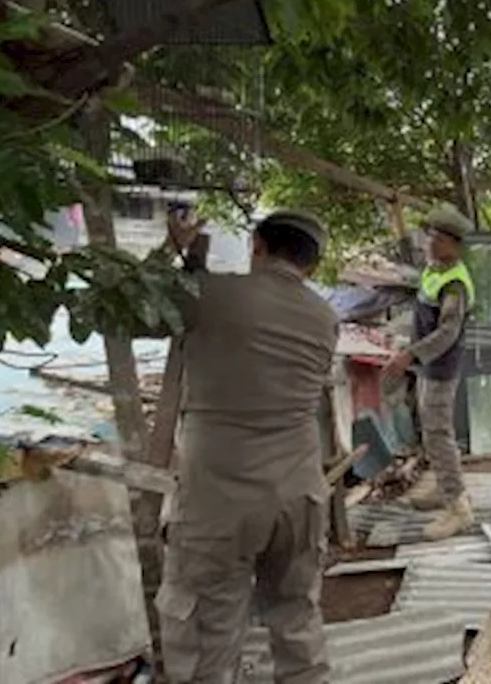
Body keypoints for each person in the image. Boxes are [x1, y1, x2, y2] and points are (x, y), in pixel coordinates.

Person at [155, 209, 337, 684]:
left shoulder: (210, 295)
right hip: (299, 495)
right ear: (312, 266)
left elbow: (140, 310)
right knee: (298, 621)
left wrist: (174, 248)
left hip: (220, 499)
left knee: (207, 639)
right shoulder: (325, 317)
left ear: (257, 245)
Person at [380, 205, 477, 540]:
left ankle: (458, 508)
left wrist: (410, 355)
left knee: (438, 433)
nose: (429, 243)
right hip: (427, 365)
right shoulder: (434, 271)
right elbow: (423, 316)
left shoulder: (455, 284)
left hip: (440, 367)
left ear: (454, 243)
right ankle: (445, 485)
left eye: (436, 238)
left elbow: (448, 332)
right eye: (429, 236)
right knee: (431, 430)